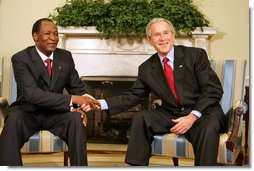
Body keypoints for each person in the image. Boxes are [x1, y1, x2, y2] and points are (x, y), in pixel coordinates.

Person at [97, 18, 227, 166]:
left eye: (166, 33)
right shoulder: (146, 68)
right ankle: (136, 166)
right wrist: (99, 104)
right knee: (141, 118)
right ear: (150, 40)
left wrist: (192, 116)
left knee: (208, 126)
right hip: (171, 114)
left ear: (173, 35)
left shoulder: (196, 55)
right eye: (157, 34)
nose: (163, 38)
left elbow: (213, 90)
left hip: (202, 113)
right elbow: (133, 96)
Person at [0, 18, 99, 166]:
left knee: (75, 119)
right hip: (28, 112)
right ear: (35, 36)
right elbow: (33, 95)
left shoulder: (65, 57)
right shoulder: (21, 59)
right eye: (47, 34)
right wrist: (73, 100)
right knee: (13, 119)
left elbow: (77, 87)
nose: (53, 38)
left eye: (56, 34)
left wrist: (85, 103)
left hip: (55, 113)